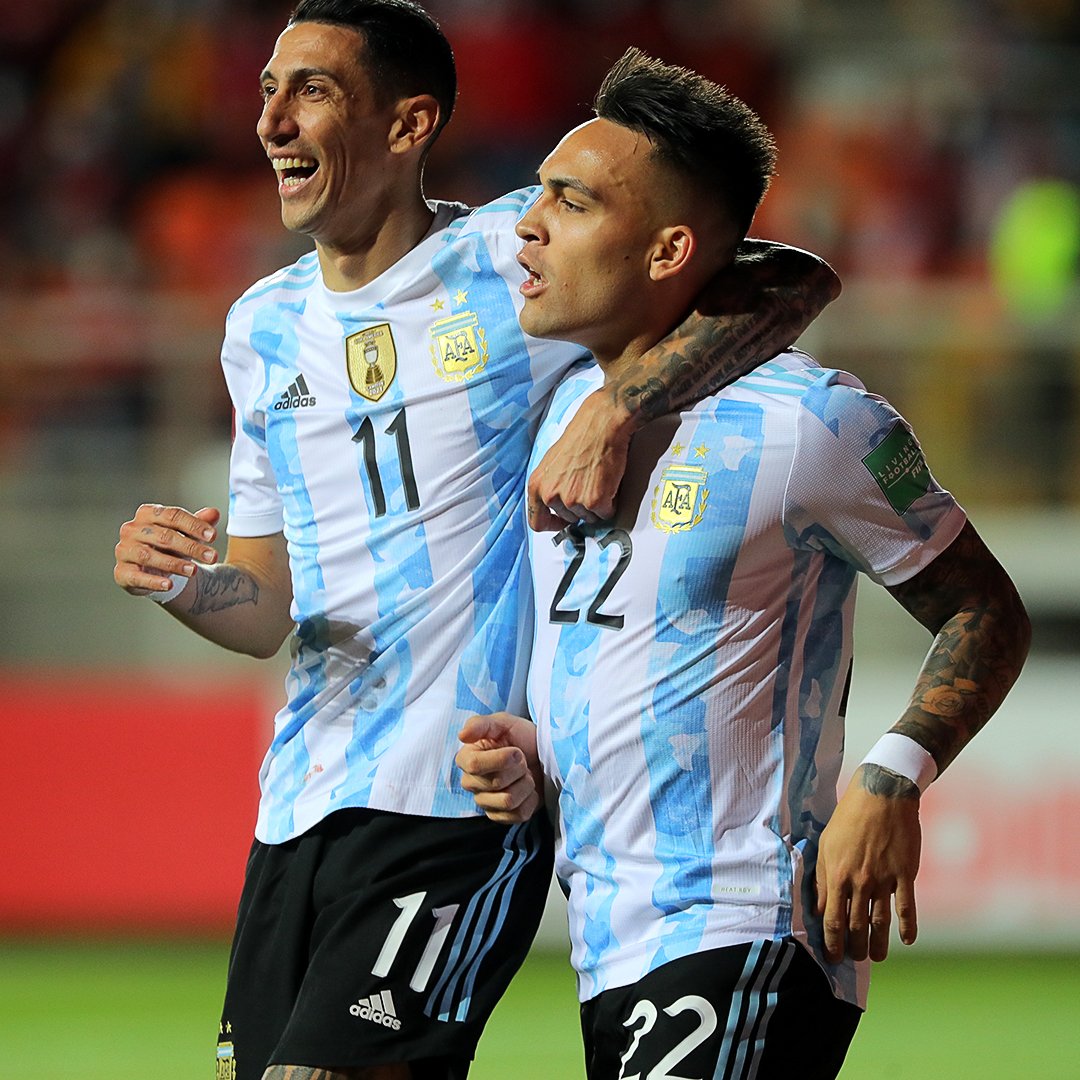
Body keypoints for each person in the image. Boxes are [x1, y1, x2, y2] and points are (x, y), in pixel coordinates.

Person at [111, 4, 840, 1080]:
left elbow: (790, 280)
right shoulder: (258, 329)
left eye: (309, 90)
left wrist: (614, 407)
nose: (269, 120)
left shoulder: (511, 254)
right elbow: (267, 609)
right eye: (266, 89)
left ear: (409, 125)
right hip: (300, 803)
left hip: (458, 795)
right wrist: (185, 585)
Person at [456, 48, 1031, 1080]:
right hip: (610, 937)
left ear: (669, 247)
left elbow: (985, 612)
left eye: (569, 202)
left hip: (745, 919)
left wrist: (892, 780)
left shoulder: (810, 421)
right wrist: (530, 753)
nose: (524, 225)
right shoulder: (556, 415)